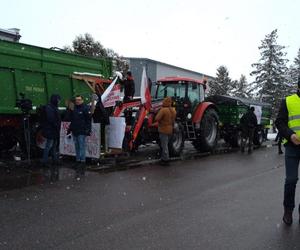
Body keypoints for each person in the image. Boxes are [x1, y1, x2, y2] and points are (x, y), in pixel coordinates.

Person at [275, 78, 300, 225]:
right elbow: (280, 121)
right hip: (292, 146)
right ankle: (288, 210)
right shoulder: (288, 101)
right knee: (291, 180)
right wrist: (290, 135)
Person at [68, 95, 92, 179]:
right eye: (76, 100)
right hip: (75, 131)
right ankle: (78, 161)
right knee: (77, 146)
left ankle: (82, 162)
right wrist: (70, 129)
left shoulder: (85, 108)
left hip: (82, 131)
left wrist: (88, 130)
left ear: (82, 100)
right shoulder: (74, 109)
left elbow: (88, 120)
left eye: (79, 100)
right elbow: (72, 120)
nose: (77, 101)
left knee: (81, 146)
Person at [41, 94, 61, 182]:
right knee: (49, 145)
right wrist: (56, 125)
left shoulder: (50, 107)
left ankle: (54, 159)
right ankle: (45, 161)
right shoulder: (51, 108)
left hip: (52, 129)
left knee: (52, 145)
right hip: (52, 129)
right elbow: (51, 119)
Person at [155, 97, 176, 166]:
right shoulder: (173, 110)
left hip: (163, 129)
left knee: (164, 145)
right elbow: (173, 120)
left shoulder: (163, 110)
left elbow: (157, 118)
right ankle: (165, 157)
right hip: (170, 129)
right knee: (167, 144)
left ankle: (165, 160)